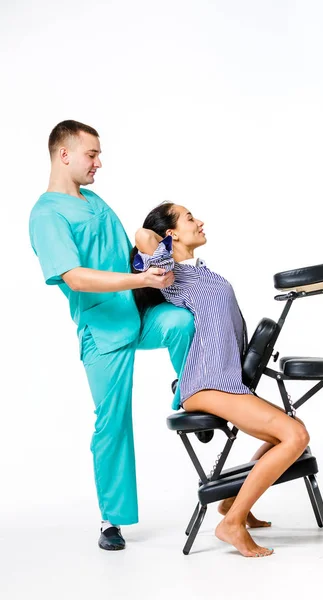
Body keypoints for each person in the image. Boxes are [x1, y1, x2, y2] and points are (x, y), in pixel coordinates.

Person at [29, 121, 194, 551]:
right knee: (113, 422)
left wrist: (155, 255)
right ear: (64, 155)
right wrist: (136, 282)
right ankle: (111, 520)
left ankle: (189, 393)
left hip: (137, 314)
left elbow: (126, 256)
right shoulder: (46, 215)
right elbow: (75, 277)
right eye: (92, 154)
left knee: (182, 322)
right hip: (103, 332)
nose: (98, 163)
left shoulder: (95, 200)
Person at [132, 202, 310, 558]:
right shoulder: (168, 273)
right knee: (295, 436)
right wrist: (162, 243)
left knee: (292, 432)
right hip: (206, 381)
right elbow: (141, 236)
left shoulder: (202, 271)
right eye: (189, 218)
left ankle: (231, 501)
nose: (200, 222)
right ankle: (231, 524)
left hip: (226, 380)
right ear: (171, 234)